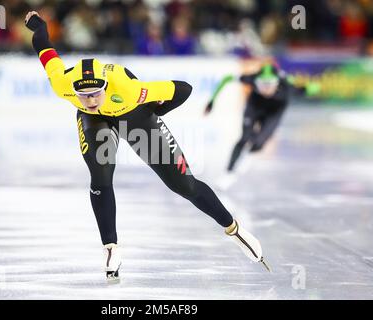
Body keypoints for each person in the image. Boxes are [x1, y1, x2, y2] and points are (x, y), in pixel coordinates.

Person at [25, 11, 270, 283]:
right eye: (84, 95)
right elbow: (44, 48)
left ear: (106, 87)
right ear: (75, 91)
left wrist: (158, 112)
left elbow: (183, 89)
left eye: (95, 93)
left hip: (134, 115)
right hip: (95, 122)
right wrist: (39, 25)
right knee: (101, 172)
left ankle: (233, 229)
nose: (91, 99)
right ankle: (111, 248)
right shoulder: (63, 84)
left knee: (183, 185)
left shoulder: (130, 89)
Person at [205, 63, 320, 172]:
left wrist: (314, 87)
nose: (266, 89)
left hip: (274, 112)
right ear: (256, 82)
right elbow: (226, 78)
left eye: (269, 84)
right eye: (262, 85)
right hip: (255, 106)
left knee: (259, 143)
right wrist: (211, 101)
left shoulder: (286, 85)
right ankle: (229, 169)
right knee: (244, 138)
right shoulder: (252, 78)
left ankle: (252, 147)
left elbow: (307, 89)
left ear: (277, 83)